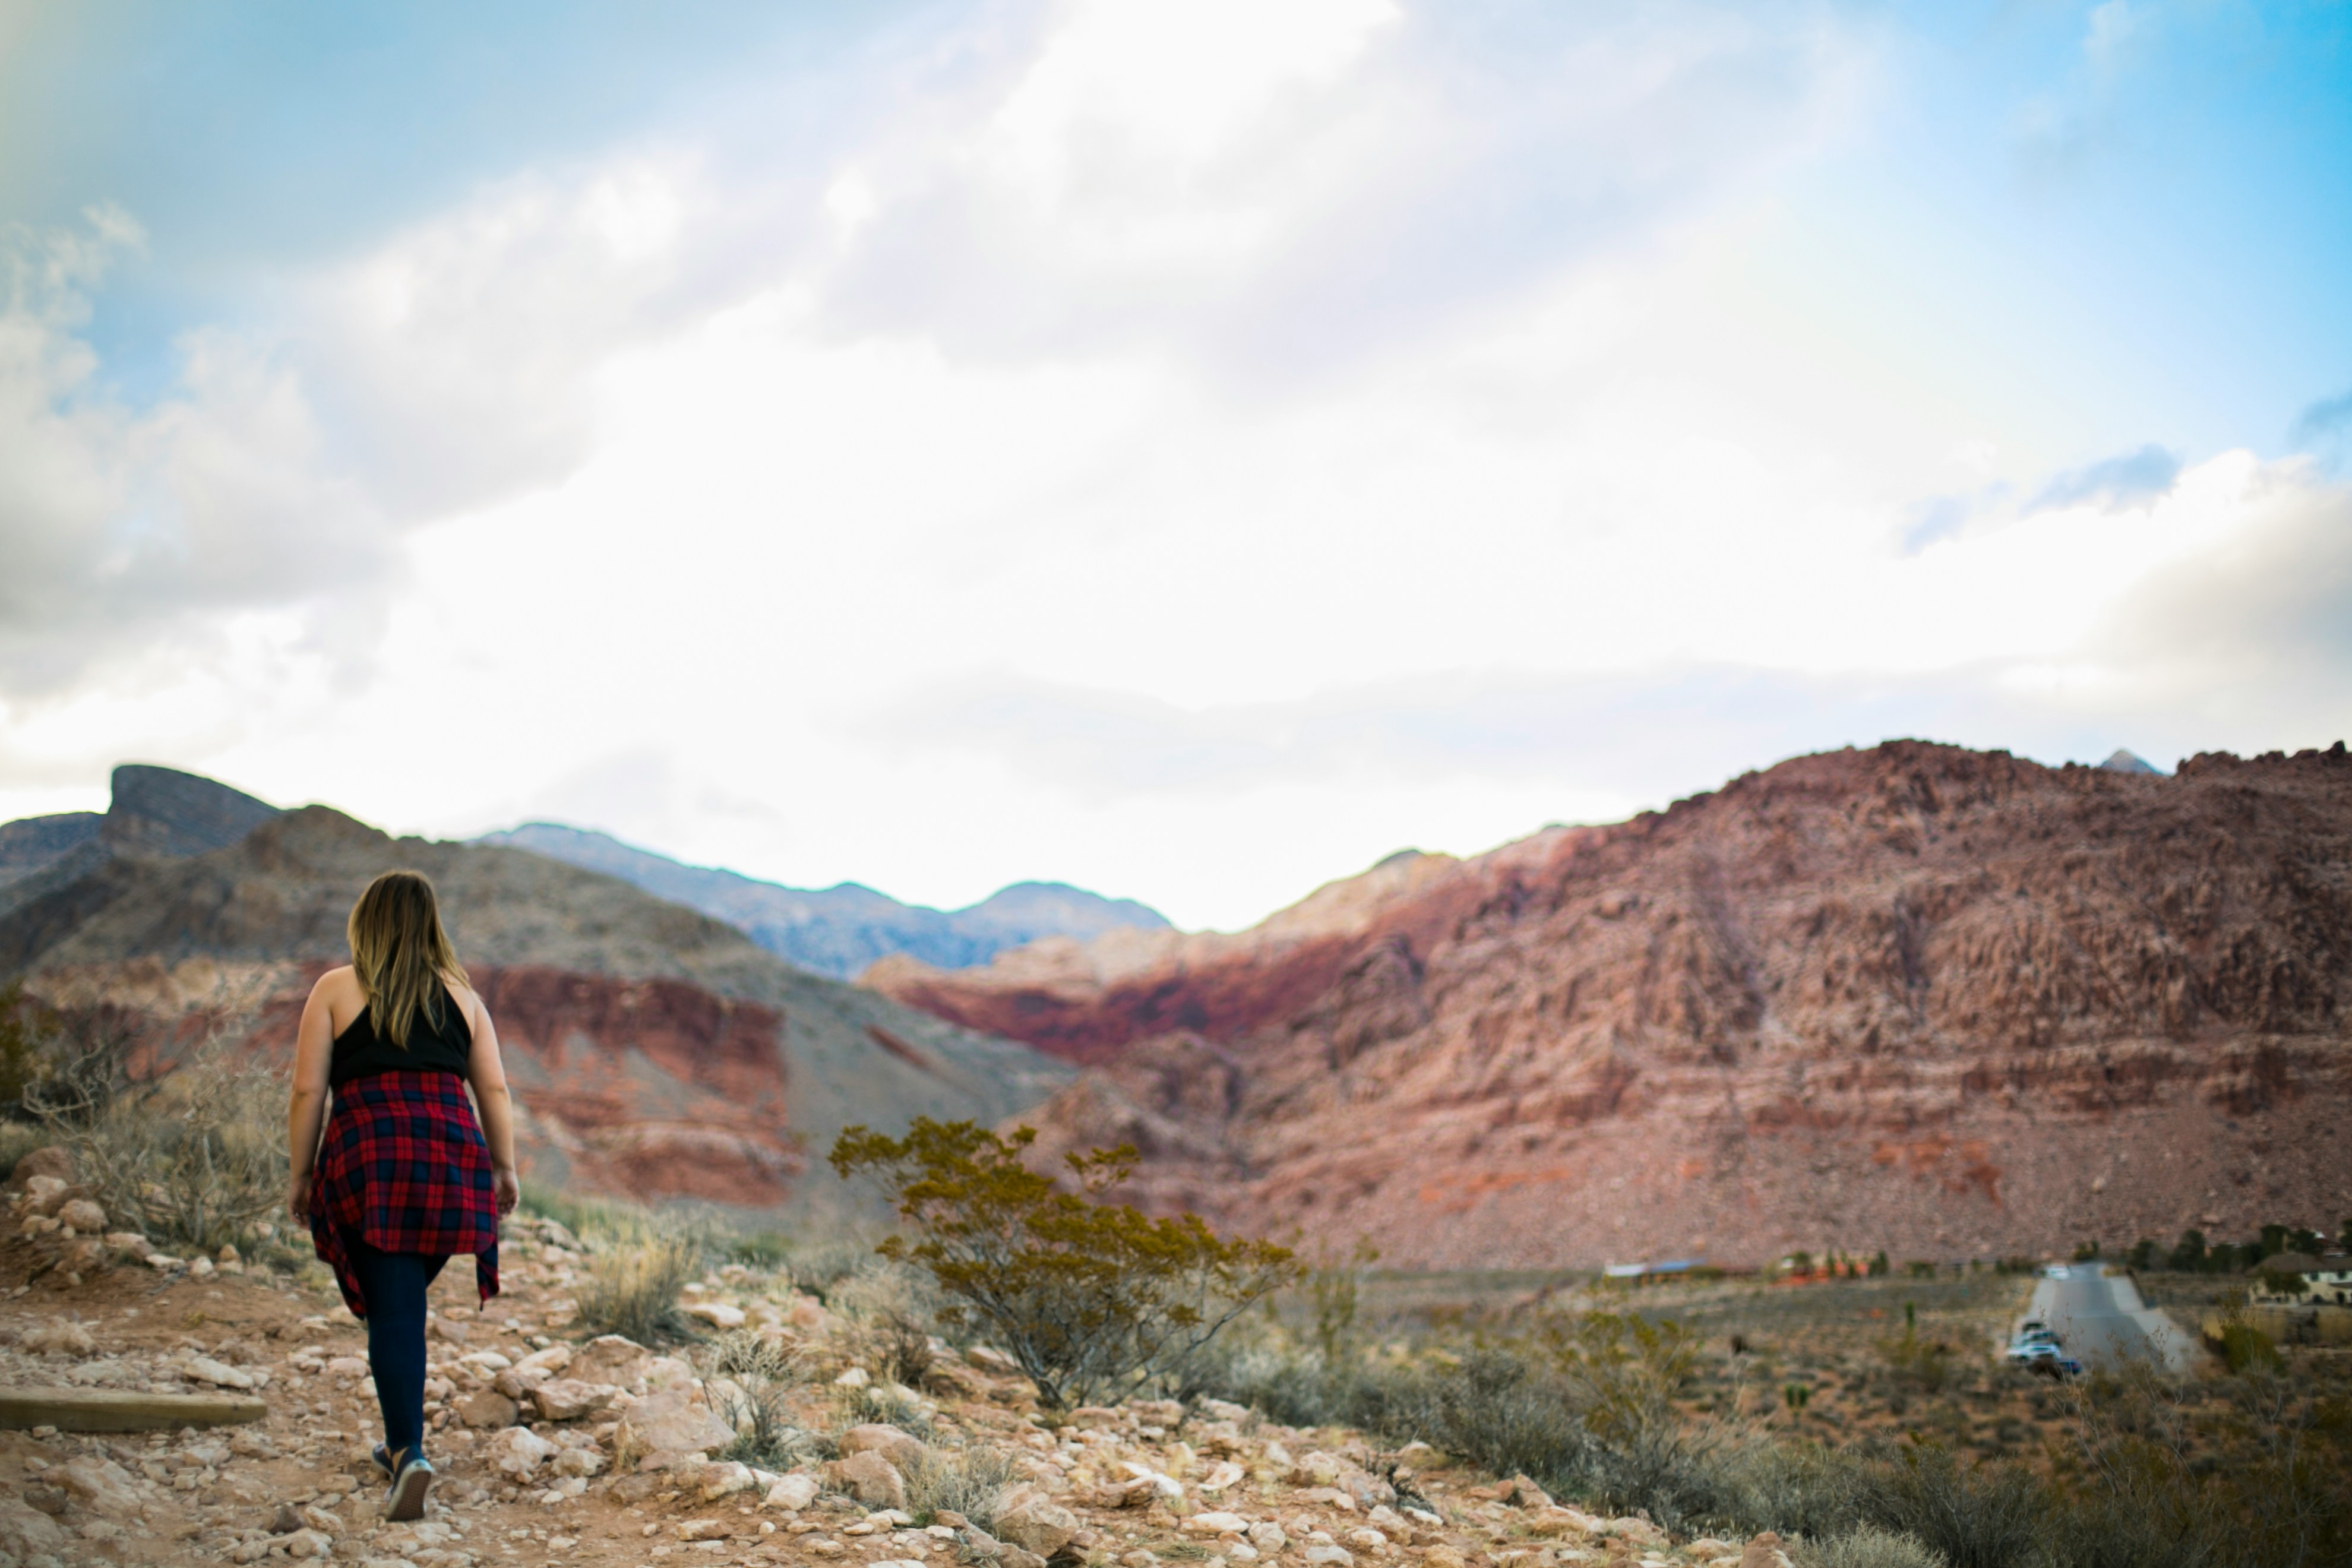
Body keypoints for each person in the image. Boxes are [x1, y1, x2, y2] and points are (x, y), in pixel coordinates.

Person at [286, 870, 520, 1521]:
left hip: (371, 1156)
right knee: (399, 1301)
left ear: (366, 923)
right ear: (430, 927)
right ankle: (399, 1444)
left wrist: (299, 1173)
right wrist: (504, 1167)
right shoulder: (464, 998)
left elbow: (307, 1092)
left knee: (393, 1312)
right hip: (451, 1157)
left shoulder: (335, 988)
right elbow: (494, 1092)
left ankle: (407, 1451)